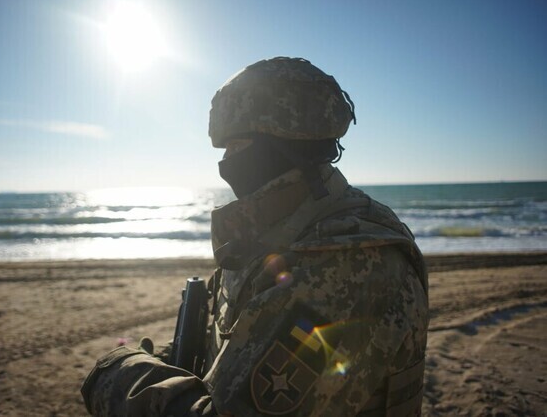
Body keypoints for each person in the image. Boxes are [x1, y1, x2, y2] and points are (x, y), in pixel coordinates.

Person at [81, 57, 429, 416]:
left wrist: (118, 375)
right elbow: (230, 352)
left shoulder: (345, 264)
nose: (226, 163)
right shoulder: (275, 234)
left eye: (236, 145)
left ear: (281, 145)